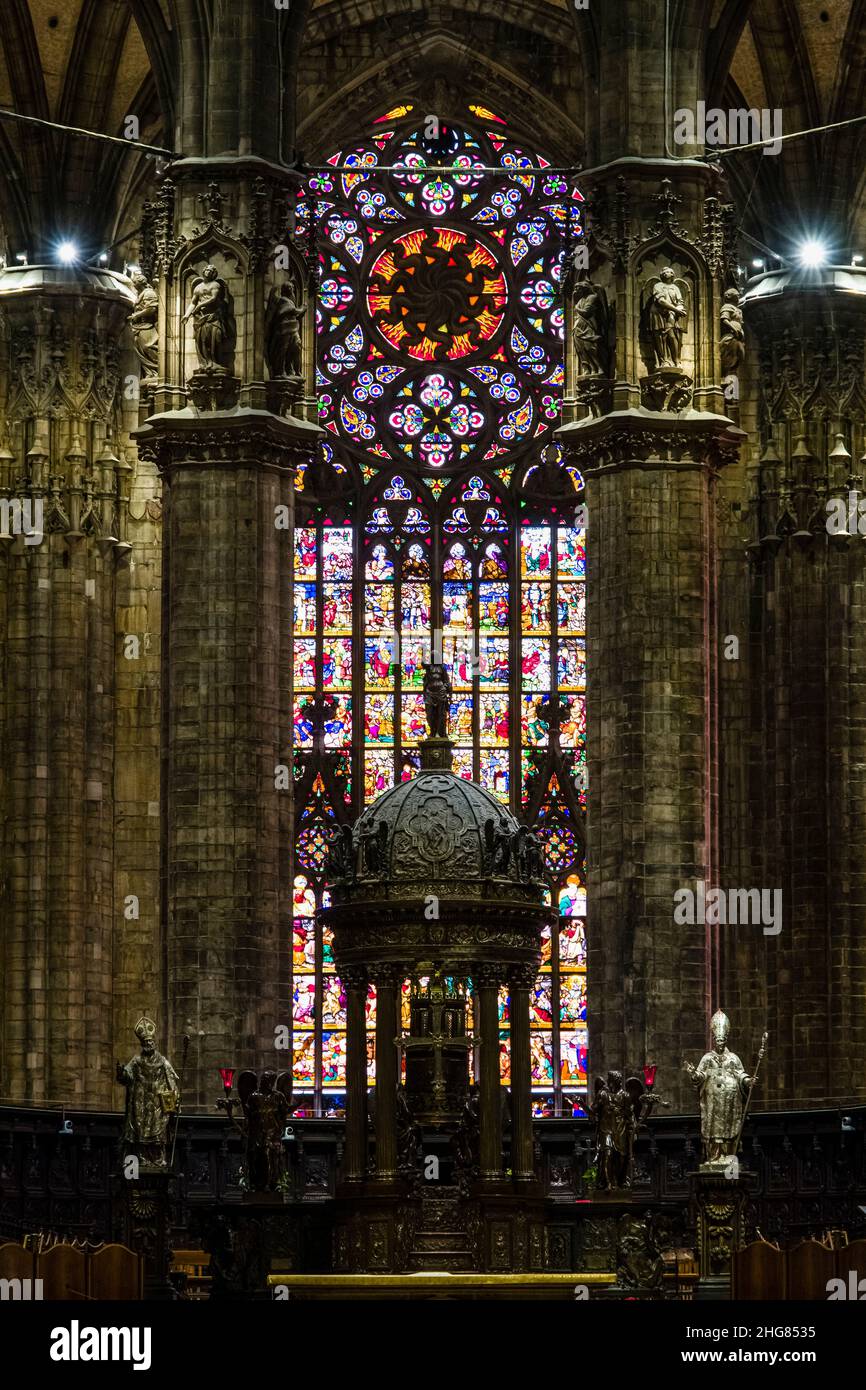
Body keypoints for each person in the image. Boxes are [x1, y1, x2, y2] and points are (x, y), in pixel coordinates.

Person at [684, 1009, 752, 1164]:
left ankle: (729, 1158)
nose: (720, 1043)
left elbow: (741, 1074)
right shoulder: (707, 1058)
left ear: (726, 1039)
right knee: (714, 1130)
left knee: (728, 1129)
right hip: (713, 1105)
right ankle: (715, 1156)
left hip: (729, 1104)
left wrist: (748, 1081)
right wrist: (694, 1073)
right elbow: (700, 1076)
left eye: (723, 1040)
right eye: (718, 1040)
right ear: (714, 1040)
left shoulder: (733, 1058)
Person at [116, 1017, 180, 1171]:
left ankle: (158, 1159)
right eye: (145, 1043)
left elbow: (171, 1079)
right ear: (142, 1044)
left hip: (157, 1103)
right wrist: (121, 1072)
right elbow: (128, 1077)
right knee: (140, 1131)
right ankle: (142, 1159)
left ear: (154, 1043)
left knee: (158, 1132)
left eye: (150, 1042)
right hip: (141, 1103)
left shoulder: (163, 1061)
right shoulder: (137, 1061)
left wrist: (175, 1097)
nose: (148, 1045)